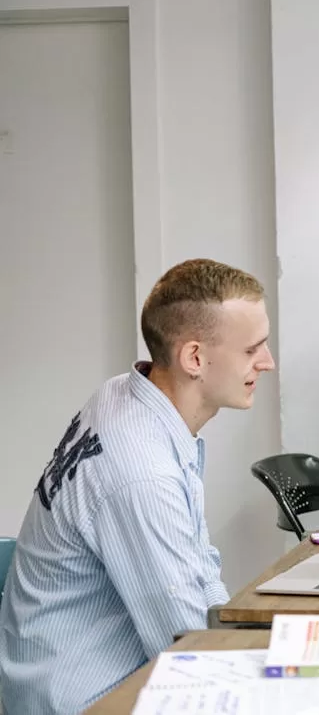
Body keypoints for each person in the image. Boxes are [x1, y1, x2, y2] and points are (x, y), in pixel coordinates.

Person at [0, 259, 276, 714]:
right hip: (83, 698)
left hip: (74, 673)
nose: (267, 363)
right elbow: (188, 648)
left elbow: (197, 570)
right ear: (194, 358)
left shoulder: (125, 394)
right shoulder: (141, 472)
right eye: (252, 350)